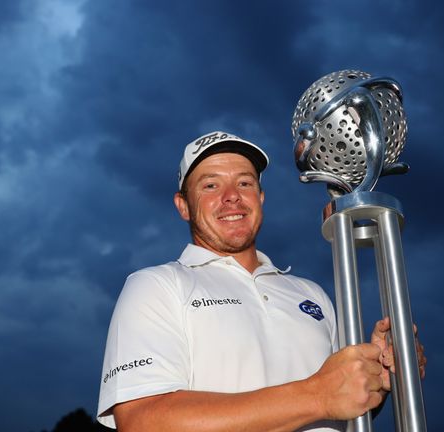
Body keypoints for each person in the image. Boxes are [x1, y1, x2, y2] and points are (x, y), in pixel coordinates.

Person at [97, 131, 426, 431]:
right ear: (183, 206)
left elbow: (342, 400)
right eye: (210, 185)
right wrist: (317, 395)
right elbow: (144, 421)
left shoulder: (310, 293)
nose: (231, 197)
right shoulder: (157, 286)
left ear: (261, 197)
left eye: (244, 183)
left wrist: (378, 377)